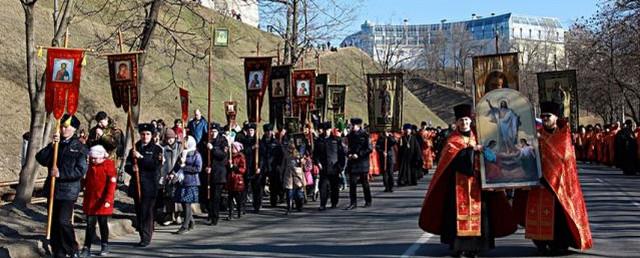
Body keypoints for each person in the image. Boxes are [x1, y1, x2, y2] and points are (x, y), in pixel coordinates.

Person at [419, 104, 516, 258]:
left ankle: (477, 247)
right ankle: (460, 248)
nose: (464, 123)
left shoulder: (479, 137)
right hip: (457, 185)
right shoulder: (452, 141)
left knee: (481, 215)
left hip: (478, 185)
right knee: (457, 216)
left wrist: (486, 152)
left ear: (470, 121)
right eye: (461, 120)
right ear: (456, 123)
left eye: (466, 120)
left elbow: (491, 156)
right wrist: (472, 150)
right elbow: (454, 161)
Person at [514, 102, 593, 255]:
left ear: (556, 117)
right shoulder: (535, 135)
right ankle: (541, 243)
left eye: (548, 116)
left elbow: (563, 157)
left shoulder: (563, 135)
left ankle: (560, 243)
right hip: (538, 181)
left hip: (560, 184)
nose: (545, 119)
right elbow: (526, 156)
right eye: (543, 116)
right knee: (538, 213)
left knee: (559, 216)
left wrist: (541, 145)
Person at [36, 114, 88, 258]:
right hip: (53, 189)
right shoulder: (56, 144)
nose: (63, 129)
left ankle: (72, 248)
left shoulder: (80, 147)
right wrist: (52, 145)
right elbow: (40, 158)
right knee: (53, 222)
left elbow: (81, 170)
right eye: (62, 126)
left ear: (74, 129)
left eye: (66, 127)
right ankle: (58, 251)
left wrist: (61, 173)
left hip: (68, 191)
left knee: (63, 221)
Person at [125, 123, 163, 247]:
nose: (145, 136)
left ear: (152, 135)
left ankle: (146, 237)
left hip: (150, 185)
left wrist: (140, 158)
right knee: (139, 210)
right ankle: (142, 233)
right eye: (143, 134)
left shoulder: (156, 149)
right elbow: (127, 166)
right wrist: (133, 168)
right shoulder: (135, 148)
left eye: (147, 134)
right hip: (137, 185)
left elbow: (154, 165)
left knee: (147, 211)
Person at [80, 145, 117, 257]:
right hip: (91, 200)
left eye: (95, 158)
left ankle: (104, 244)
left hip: (103, 200)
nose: (93, 160)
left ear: (101, 157)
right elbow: (87, 181)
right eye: (92, 158)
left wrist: (108, 200)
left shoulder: (109, 166)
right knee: (90, 224)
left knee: (102, 223)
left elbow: (111, 184)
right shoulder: (90, 166)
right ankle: (86, 247)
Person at [173, 136, 202, 234]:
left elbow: (198, 168)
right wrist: (171, 173)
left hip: (191, 182)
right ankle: (191, 221)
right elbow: (177, 166)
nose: (183, 144)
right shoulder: (182, 154)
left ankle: (184, 226)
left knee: (187, 203)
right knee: (182, 203)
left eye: (185, 142)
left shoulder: (196, 155)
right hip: (182, 181)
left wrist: (184, 167)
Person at [315, 122, 346, 210]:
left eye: (328, 130)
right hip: (323, 167)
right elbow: (315, 154)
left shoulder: (336, 140)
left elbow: (341, 154)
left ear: (330, 130)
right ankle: (323, 204)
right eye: (325, 130)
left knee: (334, 187)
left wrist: (341, 167)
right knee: (323, 186)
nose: (326, 132)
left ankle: (334, 202)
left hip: (334, 167)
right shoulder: (319, 140)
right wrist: (317, 162)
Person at [344, 118, 373, 210]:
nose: (351, 127)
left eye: (353, 125)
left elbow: (369, 149)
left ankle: (368, 200)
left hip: (362, 162)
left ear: (358, 125)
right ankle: (353, 202)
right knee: (352, 183)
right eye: (351, 125)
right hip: (352, 162)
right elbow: (346, 147)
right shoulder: (349, 135)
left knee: (365, 183)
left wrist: (359, 154)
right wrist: (348, 154)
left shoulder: (365, 135)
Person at [205, 123, 229, 225]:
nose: (212, 133)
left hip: (219, 173)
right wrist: (206, 167)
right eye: (211, 131)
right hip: (209, 172)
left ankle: (215, 216)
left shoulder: (223, 141)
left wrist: (213, 149)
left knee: (216, 196)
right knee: (208, 196)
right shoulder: (208, 141)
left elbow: (223, 155)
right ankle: (210, 214)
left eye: (215, 131)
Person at [159, 128, 182, 226]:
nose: (170, 140)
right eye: (168, 138)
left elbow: (181, 161)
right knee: (168, 196)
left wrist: (175, 173)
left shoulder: (179, 147)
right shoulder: (163, 148)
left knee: (177, 196)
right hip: (167, 175)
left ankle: (178, 215)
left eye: (171, 138)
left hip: (177, 174)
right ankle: (169, 215)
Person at [259, 123, 283, 210]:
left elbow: (280, 155)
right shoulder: (260, 143)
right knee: (260, 185)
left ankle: (273, 201)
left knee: (274, 185)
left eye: (270, 131)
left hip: (273, 166)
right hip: (263, 166)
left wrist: (278, 166)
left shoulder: (276, 143)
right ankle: (259, 202)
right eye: (267, 131)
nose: (269, 133)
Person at [282, 143, 307, 214]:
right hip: (288, 174)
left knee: (298, 191)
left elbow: (303, 163)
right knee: (289, 191)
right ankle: (289, 207)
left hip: (297, 174)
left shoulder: (299, 154)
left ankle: (300, 205)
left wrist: (302, 161)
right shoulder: (286, 154)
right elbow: (283, 164)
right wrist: (281, 172)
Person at [228, 142, 247, 219]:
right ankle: (230, 213)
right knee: (230, 197)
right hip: (230, 179)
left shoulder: (240, 157)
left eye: (233, 147)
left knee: (238, 197)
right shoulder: (229, 157)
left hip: (237, 179)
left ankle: (239, 210)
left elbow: (243, 169)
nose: (232, 149)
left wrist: (234, 167)